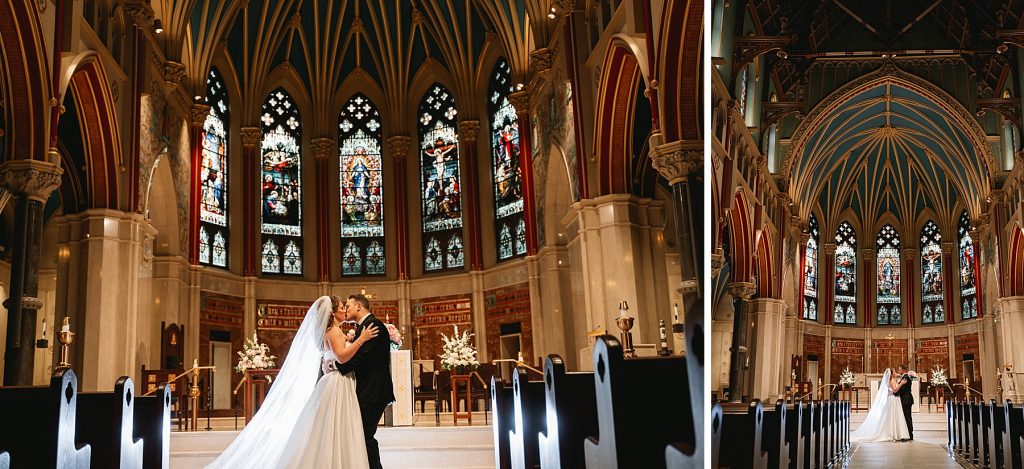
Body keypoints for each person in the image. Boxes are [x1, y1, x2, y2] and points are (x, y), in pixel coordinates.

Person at [206, 295, 380, 468]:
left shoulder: (328, 332)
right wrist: (361, 339)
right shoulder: (334, 332)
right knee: (336, 426)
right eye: (342, 307)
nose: (344, 310)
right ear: (333, 313)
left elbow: (332, 358)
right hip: (337, 383)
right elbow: (342, 357)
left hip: (333, 381)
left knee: (330, 427)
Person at [335, 293, 396, 469]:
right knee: (361, 435)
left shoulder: (373, 326)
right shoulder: (364, 327)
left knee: (365, 435)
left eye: (348, 306)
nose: (345, 309)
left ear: (359, 307)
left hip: (373, 391)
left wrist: (336, 366)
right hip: (367, 390)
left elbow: (362, 359)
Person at [850, 368, 911, 443]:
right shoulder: (891, 380)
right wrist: (901, 384)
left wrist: (900, 383)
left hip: (895, 399)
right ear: (891, 374)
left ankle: (897, 433)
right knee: (893, 416)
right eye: (894, 372)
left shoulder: (893, 380)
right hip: (893, 399)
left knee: (896, 416)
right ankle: (892, 433)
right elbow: (895, 390)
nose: (896, 373)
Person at [893, 364, 916, 440]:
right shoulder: (904, 377)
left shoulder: (905, 378)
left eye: (899, 369)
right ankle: (908, 433)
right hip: (906, 400)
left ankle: (910, 434)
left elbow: (901, 389)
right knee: (906, 417)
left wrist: (895, 393)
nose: (898, 371)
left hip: (906, 400)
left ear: (903, 370)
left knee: (907, 417)